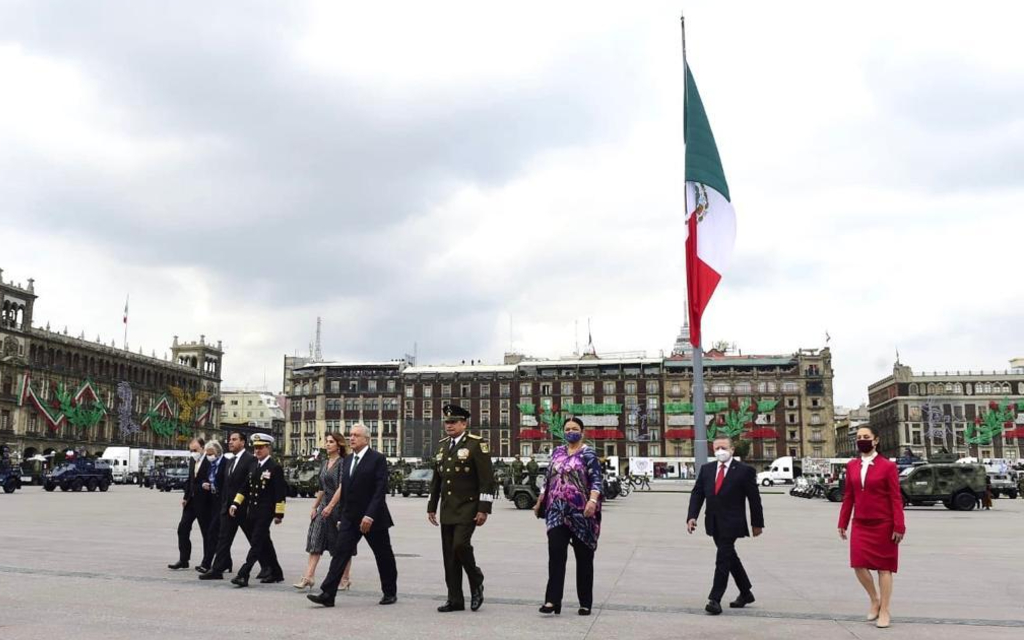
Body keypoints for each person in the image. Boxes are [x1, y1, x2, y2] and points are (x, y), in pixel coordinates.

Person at [308, 424, 398, 608]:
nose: (352, 438)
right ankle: (328, 593)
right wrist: (341, 516)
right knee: (340, 554)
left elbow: (379, 491)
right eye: (350, 435)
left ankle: (389, 592)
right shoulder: (348, 460)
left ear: (366, 439)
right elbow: (346, 491)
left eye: (356, 435)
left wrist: (370, 516)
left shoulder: (377, 459)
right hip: (350, 517)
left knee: (383, 555)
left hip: (373, 518)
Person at [427, 404, 495, 613]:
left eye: (453, 422)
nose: (449, 425)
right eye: (446, 422)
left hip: (469, 506)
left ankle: (476, 580)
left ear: (464, 423)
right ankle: (455, 599)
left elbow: (487, 480)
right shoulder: (442, 447)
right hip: (448, 508)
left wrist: (484, 508)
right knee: (449, 556)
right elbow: (437, 480)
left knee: (460, 545)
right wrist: (432, 506)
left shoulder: (476, 445)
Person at [687, 435, 764, 616]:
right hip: (713, 521)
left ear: (732, 449)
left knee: (722, 558)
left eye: (723, 448)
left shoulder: (745, 471)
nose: (720, 451)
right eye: (716, 449)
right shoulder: (707, 469)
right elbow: (697, 494)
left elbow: (754, 499)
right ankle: (745, 592)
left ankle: (715, 599)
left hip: (733, 522)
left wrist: (757, 523)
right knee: (730, 558)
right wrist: (692, 516)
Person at [533, 417, 603, 616]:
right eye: (567, 428)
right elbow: (548, 479)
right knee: (555, 554)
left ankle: (585, 602)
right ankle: (552, 601)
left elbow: (597, 480)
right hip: (556, 511)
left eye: (575, 428)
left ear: (582, 431)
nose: (570, 431)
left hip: (582, 513)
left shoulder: (588, 453)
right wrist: (540, 501)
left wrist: (592, 501)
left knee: (584, 559)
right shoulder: (557, 452)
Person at [838, 425, 906, 629]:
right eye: (859, 437)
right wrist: (842, 522)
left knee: (885, 569)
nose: (862, 440)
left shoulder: (888, 466)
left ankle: (885, 609)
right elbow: (849, 496)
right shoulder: (851, 466)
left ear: (875, 440)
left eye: (866, 437)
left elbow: (896, 497)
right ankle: (874, 599)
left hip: (884, 523)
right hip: (860, 523)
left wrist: (899, 525)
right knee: (858, 564)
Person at [294, 432, 353, 591]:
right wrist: (315, 506)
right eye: (326, 441)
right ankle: (308, 577)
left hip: (339, 509)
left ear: (339, 445)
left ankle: (345, 578)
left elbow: (342, 486)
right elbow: (322, 488)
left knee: (341, 545)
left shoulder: (343, 463)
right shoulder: (324, 463)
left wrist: (331, 506)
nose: (327, 444)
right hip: (323, 508)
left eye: (331, 442)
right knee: (315, 541)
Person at [199, 431, 259, 581]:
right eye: (229, 440)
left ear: (243, 442)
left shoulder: (250, 459)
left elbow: (248, 484)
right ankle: (217, 569)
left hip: (243, 508)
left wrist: (240, 503)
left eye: (234, 439)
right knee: (223, 538)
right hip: (228, 508)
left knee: (256, 539)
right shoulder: (230, 460)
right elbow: (226, 485)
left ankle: (270, 567)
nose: (230, 442)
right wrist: (225, 504)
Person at [229, 433, 287, 587]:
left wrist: (279, 514)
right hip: (253, 510)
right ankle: (276, 572)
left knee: (255, 543)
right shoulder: (254, 465)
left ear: (268, 448)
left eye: (261, 447)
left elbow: (280, 493)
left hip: (266, 512)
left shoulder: (274, 467)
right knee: (265, 543)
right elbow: (245, 487)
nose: (257, 450)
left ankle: (243, 574)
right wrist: (236, 503)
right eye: (255, 448)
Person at [168, 438, 208, 570]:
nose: (193, 453)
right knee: (182, 529)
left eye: (195, 450)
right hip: (191, 501)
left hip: (204, 502)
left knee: (207, 533)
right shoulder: (192, 460)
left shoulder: (210, 460)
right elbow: (190, 479)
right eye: (191, 450)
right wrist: (185, 497)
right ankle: (184, 559)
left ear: (202, 448)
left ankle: (207, 562)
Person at [195, 440, 225, 573]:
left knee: (214, 533)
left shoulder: (224, 464)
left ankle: (207, 564)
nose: (208, 456)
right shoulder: (210, 464)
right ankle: (221, 563)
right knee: (217, 534)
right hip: (212, 501)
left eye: (211, 453)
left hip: (222, 502)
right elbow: (203, 478)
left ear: (217, 452)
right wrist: (204, 484)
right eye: (207, 454)